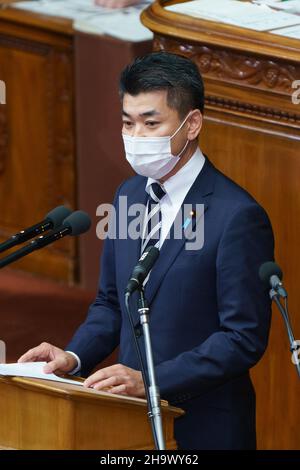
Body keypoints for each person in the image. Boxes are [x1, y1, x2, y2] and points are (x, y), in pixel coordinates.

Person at [18, 52, 274, 450]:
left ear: (191, 125)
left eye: (151, 123)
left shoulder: (236, 215)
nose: (136, 136)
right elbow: (109, 303)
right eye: (127, 122)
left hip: (202, 426)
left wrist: (152, 379)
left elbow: (242, 338)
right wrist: (72, 357)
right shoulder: (129, 195)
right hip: (128, 422)